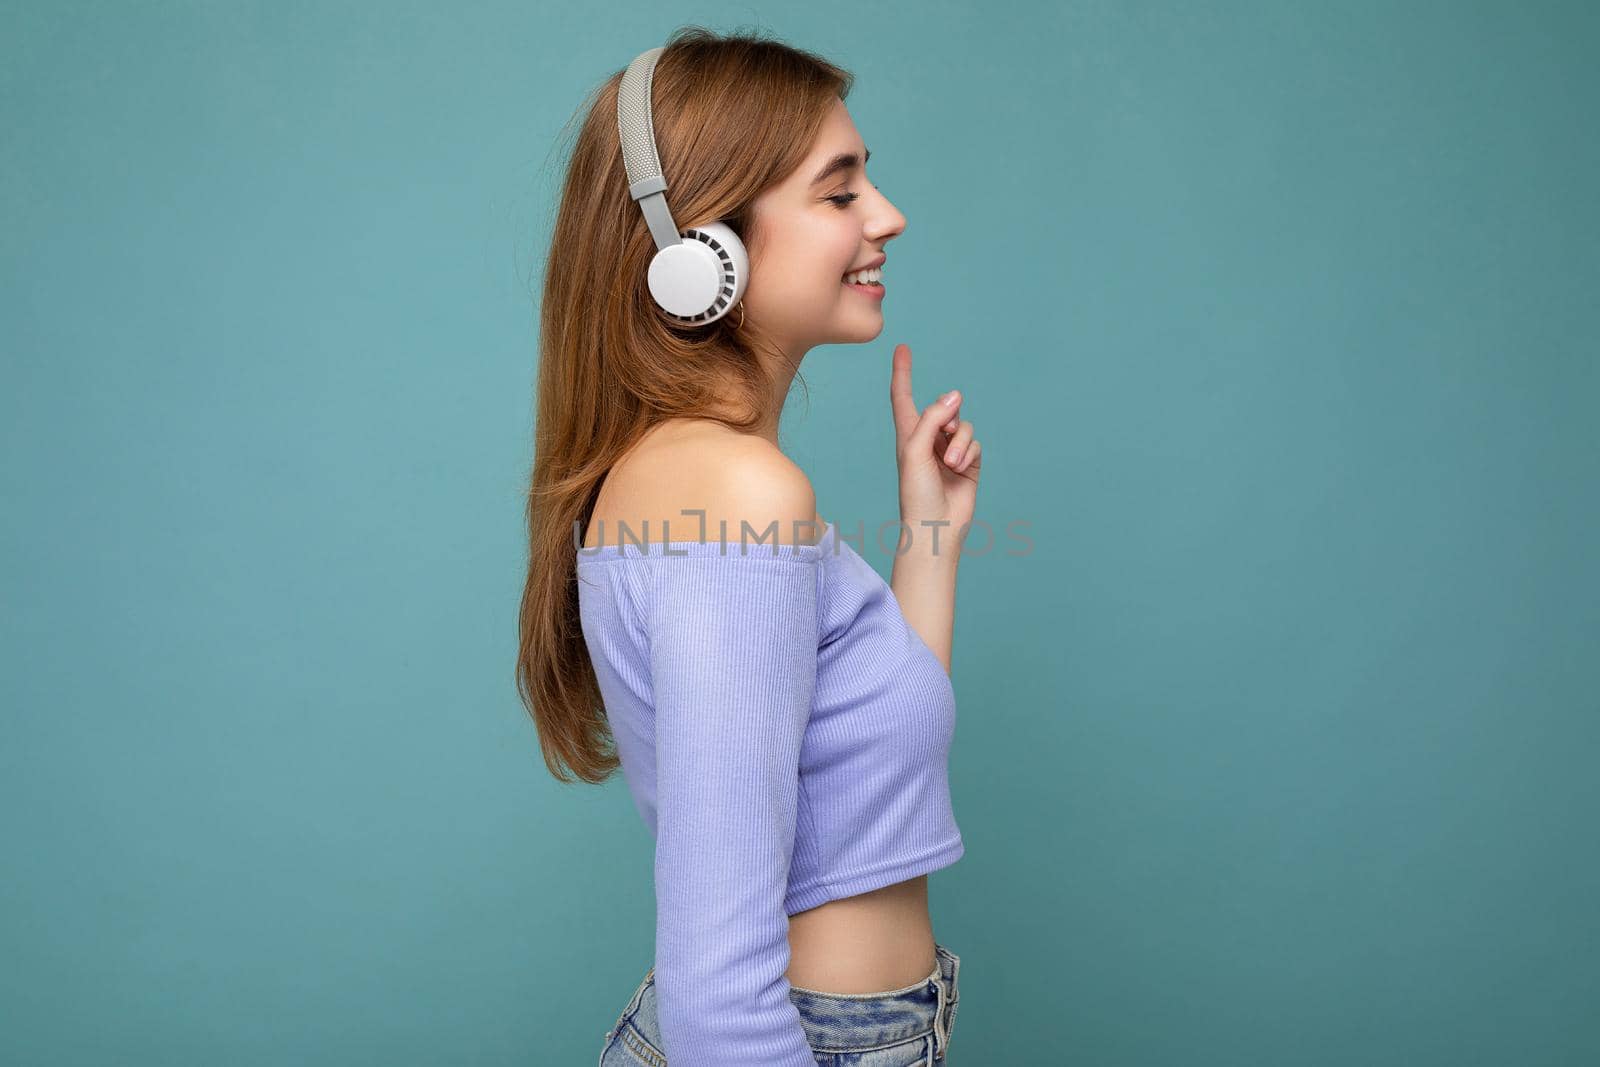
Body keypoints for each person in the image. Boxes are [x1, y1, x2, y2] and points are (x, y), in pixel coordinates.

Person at [515, 26, 983, 1065]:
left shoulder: (695, 478)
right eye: (839, 190)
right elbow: (718, 988)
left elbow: (867, 777)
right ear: (701, 251)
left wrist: (931, 527)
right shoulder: (733, 490)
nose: (887, 216)